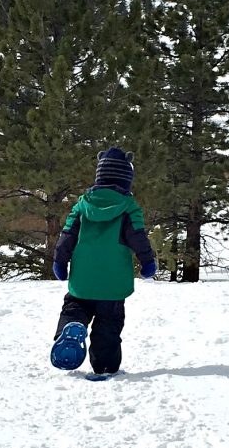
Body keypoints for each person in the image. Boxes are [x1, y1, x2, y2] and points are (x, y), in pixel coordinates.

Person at [50, 147, 157, 375]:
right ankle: (105, 366)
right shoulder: (129, 207)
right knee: (108, 325)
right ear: (126, 179)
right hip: (113, 284)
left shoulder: (82, 205)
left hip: (83, 279)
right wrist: (148, 262)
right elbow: (138, 237)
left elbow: (67, 235)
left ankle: (72, 326)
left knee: (74, 307)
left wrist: (60, 261)